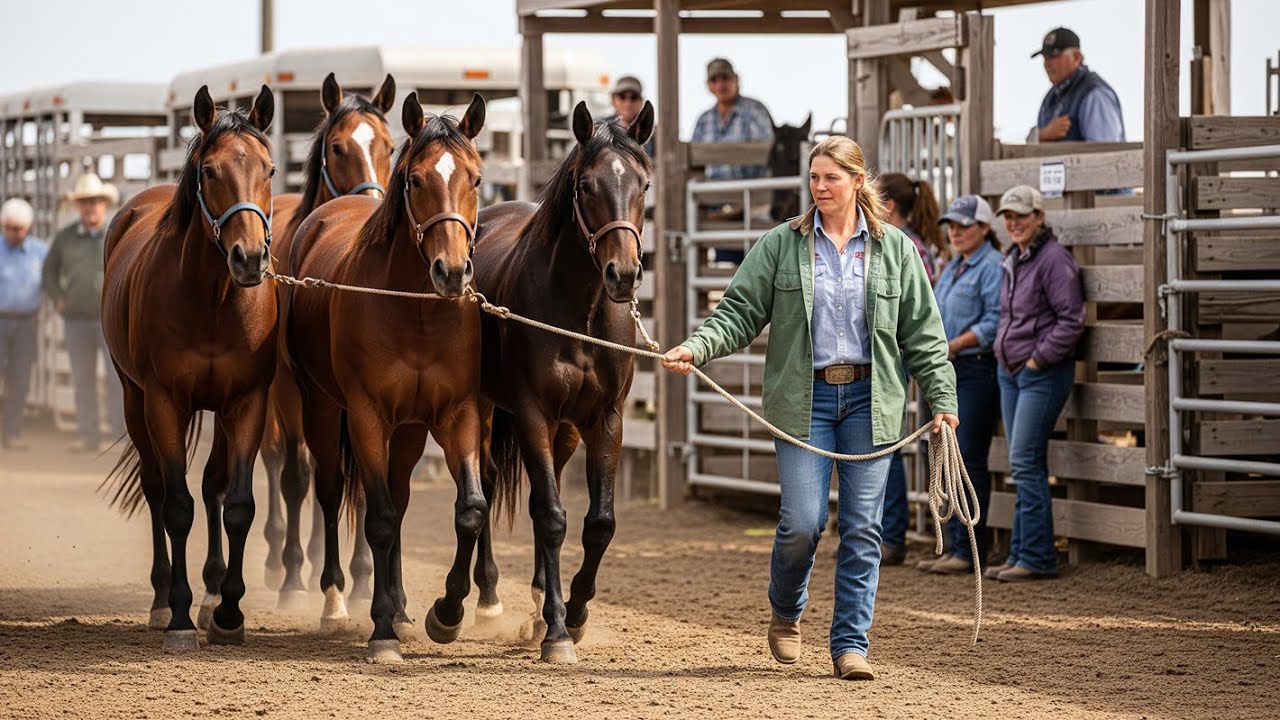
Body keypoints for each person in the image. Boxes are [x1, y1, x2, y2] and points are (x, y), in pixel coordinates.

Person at [661, 136, 958, 681]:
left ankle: (850, 646)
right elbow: (738, 312)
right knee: (802, 522)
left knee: (863, 528)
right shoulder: (781, 244)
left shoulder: (896, 249)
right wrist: (697, 347)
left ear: (858, 182)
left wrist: (942, 399)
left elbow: (923, 332)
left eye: (831, 178)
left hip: (871, 399)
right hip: (805, 400)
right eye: (815, 177)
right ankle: (786, 608)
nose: (820, 187)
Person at [989, 185, 1084, 582]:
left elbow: (1071, 320)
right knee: (1023, 463)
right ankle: (1021, 553)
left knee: (1025, 462)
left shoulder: (1053, 259)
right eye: (1008, 217)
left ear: (1039, 217)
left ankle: (1038, 556)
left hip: (1039, 372)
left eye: (1021, 216)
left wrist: (1037, 359)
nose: (1014, 223)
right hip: (1013, 371)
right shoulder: (1015, 257)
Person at [915, 195, 1003, 575]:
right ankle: (956, 545)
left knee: (965, 456)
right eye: (951, 225)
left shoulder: (991, 267)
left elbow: (995, 320)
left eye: (964, 226)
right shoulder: (954, 266)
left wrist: (955, 343)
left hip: (974, 368)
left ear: (984, 228)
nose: (955, 232)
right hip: (948, 369)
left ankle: (969, 549)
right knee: (940, 454)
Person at [874, 174, 947, 565]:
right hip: (906, 349)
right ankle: (889, 531)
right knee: (890, 439)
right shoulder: (917, 244)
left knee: (885, 440)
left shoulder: (901, 245)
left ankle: (890, 533)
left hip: (897, 351)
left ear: (888, 206)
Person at [42, 172, 125, 452]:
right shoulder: (65, 238)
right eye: (85, 202)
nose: (91, 207)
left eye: (95, 201)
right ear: (78, 206)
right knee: (83, 378)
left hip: (109, 321)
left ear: (104, 204)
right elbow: (49, 271)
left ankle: (119, 435)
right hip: (76, 320)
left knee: (116, 378)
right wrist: (58, 298)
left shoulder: (115, 236)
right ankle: (88, 435)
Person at [0, 198, 49, 451]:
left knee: (21, 379)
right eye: (8, 227)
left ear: (27, 228)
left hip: (26, 324)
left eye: (17, 228)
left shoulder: (40, 252)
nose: (12, 233)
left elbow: (50, 281)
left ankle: (12, 431)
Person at [1031, 27, 1125, 143]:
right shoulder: (1052, 97)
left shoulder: (1094, 94)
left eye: (1054, 56)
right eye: (1045, 57)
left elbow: (1104, 150)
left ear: (1076, 57)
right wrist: (1043, 134)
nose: (1047, 64)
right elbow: (1029, 146)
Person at [691, 57, 775, 181]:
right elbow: (694, 162)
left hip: (751, 189)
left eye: (725, 78)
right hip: (712, 191)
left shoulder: (755, 111)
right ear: (708, 86)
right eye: (714, 80)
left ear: (736, 79)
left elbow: (770, 153)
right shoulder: (703, 121)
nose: (720, 85)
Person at [604, 75, 655, 156]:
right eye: (622, 96)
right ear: (613, 99)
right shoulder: (600, 128)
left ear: (641, 101)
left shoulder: (655, 134)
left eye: (634, 97)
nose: (628, 103)